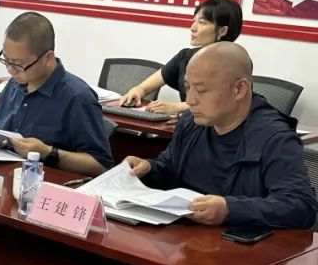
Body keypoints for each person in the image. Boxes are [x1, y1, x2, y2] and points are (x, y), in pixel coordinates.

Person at [124, 42, 316, 229]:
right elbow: (168, 168)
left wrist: (230, 210)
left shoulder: (274, 138)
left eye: (201, 90)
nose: (190, 100)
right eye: (187, 87)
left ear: (239, 89)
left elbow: (300, 206)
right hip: (184, 235)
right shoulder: (190, 122)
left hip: (234, 243)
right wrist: (148, 168)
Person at [0, 12, 113, 175]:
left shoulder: (77, 97)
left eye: (18, 64)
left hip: (49, 184)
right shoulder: (14, 84)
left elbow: (101, 165)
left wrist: (48, 152)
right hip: (5, 176)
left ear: (48, 58)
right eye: (6, 60)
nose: (10, 70)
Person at [120, 0, 243, 114]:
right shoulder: (186, 56)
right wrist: (137, 91)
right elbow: (145, 86)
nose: (193, 28)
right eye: (194, 21)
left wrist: (178, 107)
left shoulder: (235, 64)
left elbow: (222, 104)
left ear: (222, 31)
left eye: (201, 22)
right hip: (186, 124)